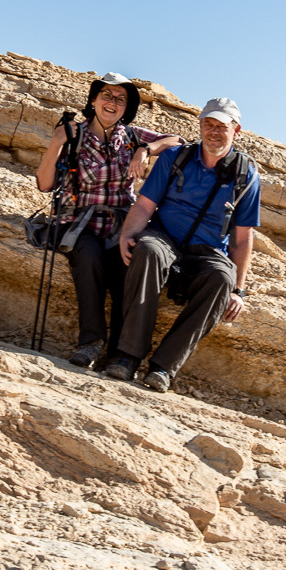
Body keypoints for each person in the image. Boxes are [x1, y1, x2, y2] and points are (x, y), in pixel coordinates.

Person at [106, 97, 261, 391]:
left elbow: (242, 239)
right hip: (165, 237)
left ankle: (164, 366)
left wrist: (239, 290)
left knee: (222, 279)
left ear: (236, 131)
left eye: (221, 127)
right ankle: (127, 356)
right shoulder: (175, 157)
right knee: (147, 250)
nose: (213, 132)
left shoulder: (246, 175)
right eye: (208, 124)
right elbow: (145, 205)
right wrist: (128, 235)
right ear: (200, 125)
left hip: (207, 251)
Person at [35, 73, 183, 369]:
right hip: (80, 221)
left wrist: (145, 149)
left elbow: (178, 140)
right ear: (93, 100)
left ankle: (118, 353)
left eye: (120, 99)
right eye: (106, 95)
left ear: (126, 108)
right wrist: (55, 143)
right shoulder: (73, 133)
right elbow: (44, 184)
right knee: (87, 259)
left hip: (121, 223)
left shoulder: (131, 136)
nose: (112, 102)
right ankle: (91, 342)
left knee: (124, 270)